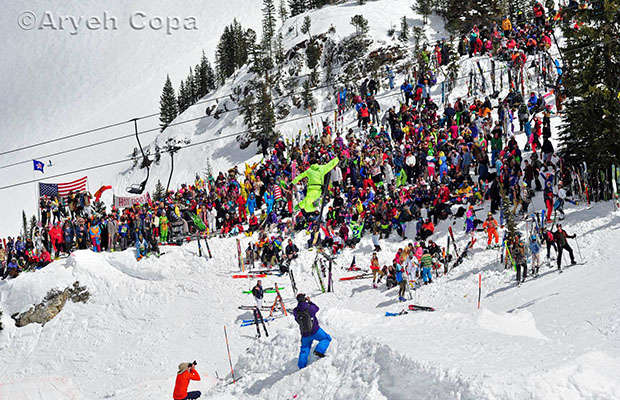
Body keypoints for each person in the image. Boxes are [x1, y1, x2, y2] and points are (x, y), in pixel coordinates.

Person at [293, 294, 332, 369]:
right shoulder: (309, 307)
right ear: (304, 299)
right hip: (315, 331)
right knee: (326, 338)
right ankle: (319, 350)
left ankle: (301, 365)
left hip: (304, 334)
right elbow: (317, 308)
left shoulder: (295, 311)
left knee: (305, 348)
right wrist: (310, 302)